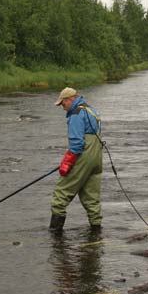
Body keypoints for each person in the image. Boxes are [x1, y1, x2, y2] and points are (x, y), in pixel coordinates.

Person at [50, 87, 103, 233]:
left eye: (63, 103)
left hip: (83, 156)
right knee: (91, 197)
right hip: (96, 158)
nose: (62, 107)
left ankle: (55, 235)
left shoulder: (76, 114)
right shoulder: (93, 111)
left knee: (60, 194)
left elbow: (77, 143)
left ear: (70, 99)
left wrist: (67, 162)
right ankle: (96, 231)